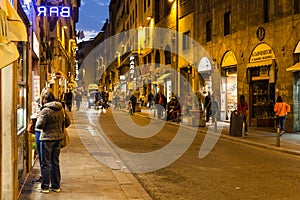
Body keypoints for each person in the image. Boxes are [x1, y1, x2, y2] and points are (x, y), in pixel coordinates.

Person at [36, 91, 70, 193]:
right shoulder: (61, 109)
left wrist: (38, 118)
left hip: (47, 139)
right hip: (58, 138)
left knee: (45, 163)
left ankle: (45, 186)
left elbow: (39, 126)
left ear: (45, 100)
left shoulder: (45, 110)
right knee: (55, 162)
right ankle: (56, 186)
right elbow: (67, 123)